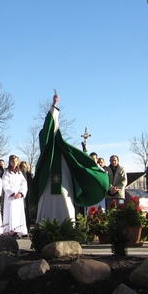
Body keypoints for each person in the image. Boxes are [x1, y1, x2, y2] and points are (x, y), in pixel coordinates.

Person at [32, 93, 109, 224]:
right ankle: (44, 228)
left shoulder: (66, 152)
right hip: (48, 183)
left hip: (64, 182)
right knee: (48, 205)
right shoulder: (46, 153)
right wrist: (54, 107)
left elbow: (80, 163)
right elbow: (48, 129)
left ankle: (68, 227)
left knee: (66, 204)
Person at [2, 155, 28, 237]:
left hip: (18, 197)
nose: (14, 162)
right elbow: (5, 183)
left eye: (16, 161)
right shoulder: (6, 172)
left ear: (18, 162)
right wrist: (13, 193)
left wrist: (21, 193)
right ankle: (10, 231)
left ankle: (18, 230)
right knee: (11, 213)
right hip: (11, 197)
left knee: (18, 214)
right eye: (12, 161)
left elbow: (24, 183)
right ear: (10, 162)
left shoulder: (19, 172)